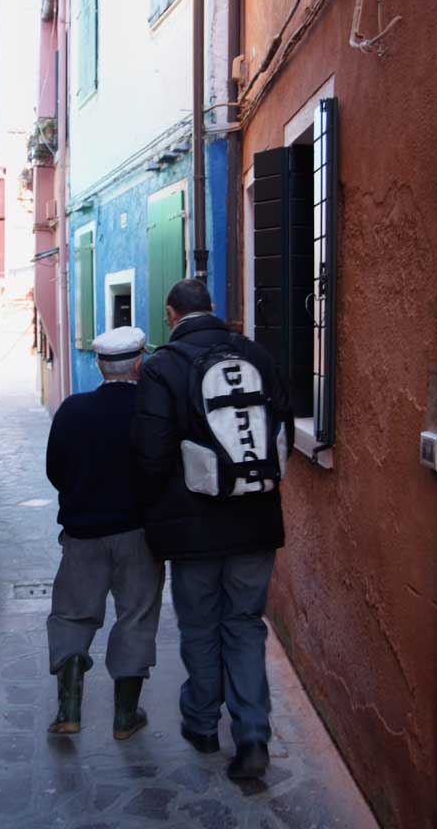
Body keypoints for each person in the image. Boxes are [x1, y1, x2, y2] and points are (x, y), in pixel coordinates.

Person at [131, 279, 294, 780]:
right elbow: (281, 423)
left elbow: (151, 455)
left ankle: (202, 724)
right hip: (256, 519)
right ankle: (251, 736)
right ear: (214, 310)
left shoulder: (162, 366)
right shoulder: (257, 356)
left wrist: (154, 511)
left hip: (193, 530)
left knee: (200, 625)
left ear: (170, 313)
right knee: (245, 624)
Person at [45, 326, 164, 740]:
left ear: (99, 364)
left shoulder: (72, 411)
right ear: (139, 363)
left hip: (82, 534)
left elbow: (54, 471)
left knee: (71, 615)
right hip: (138, 533)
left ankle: (69, 710)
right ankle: (125, 717)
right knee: (136, 617)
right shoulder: (151, 411)